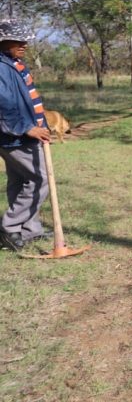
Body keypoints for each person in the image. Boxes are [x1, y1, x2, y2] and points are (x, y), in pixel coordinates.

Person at [0, 20, 53, 251]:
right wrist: (27, 127)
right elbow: (3, 105)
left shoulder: (14, 63)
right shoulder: (1, 67)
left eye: (25, 40)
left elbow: (27, 99)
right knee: (40, 179)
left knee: (19, 181)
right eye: (18, 40)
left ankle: (28, 230)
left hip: (21, 134)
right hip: (15, 135)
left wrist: (41, 122)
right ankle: (9, 227)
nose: (24, 44)